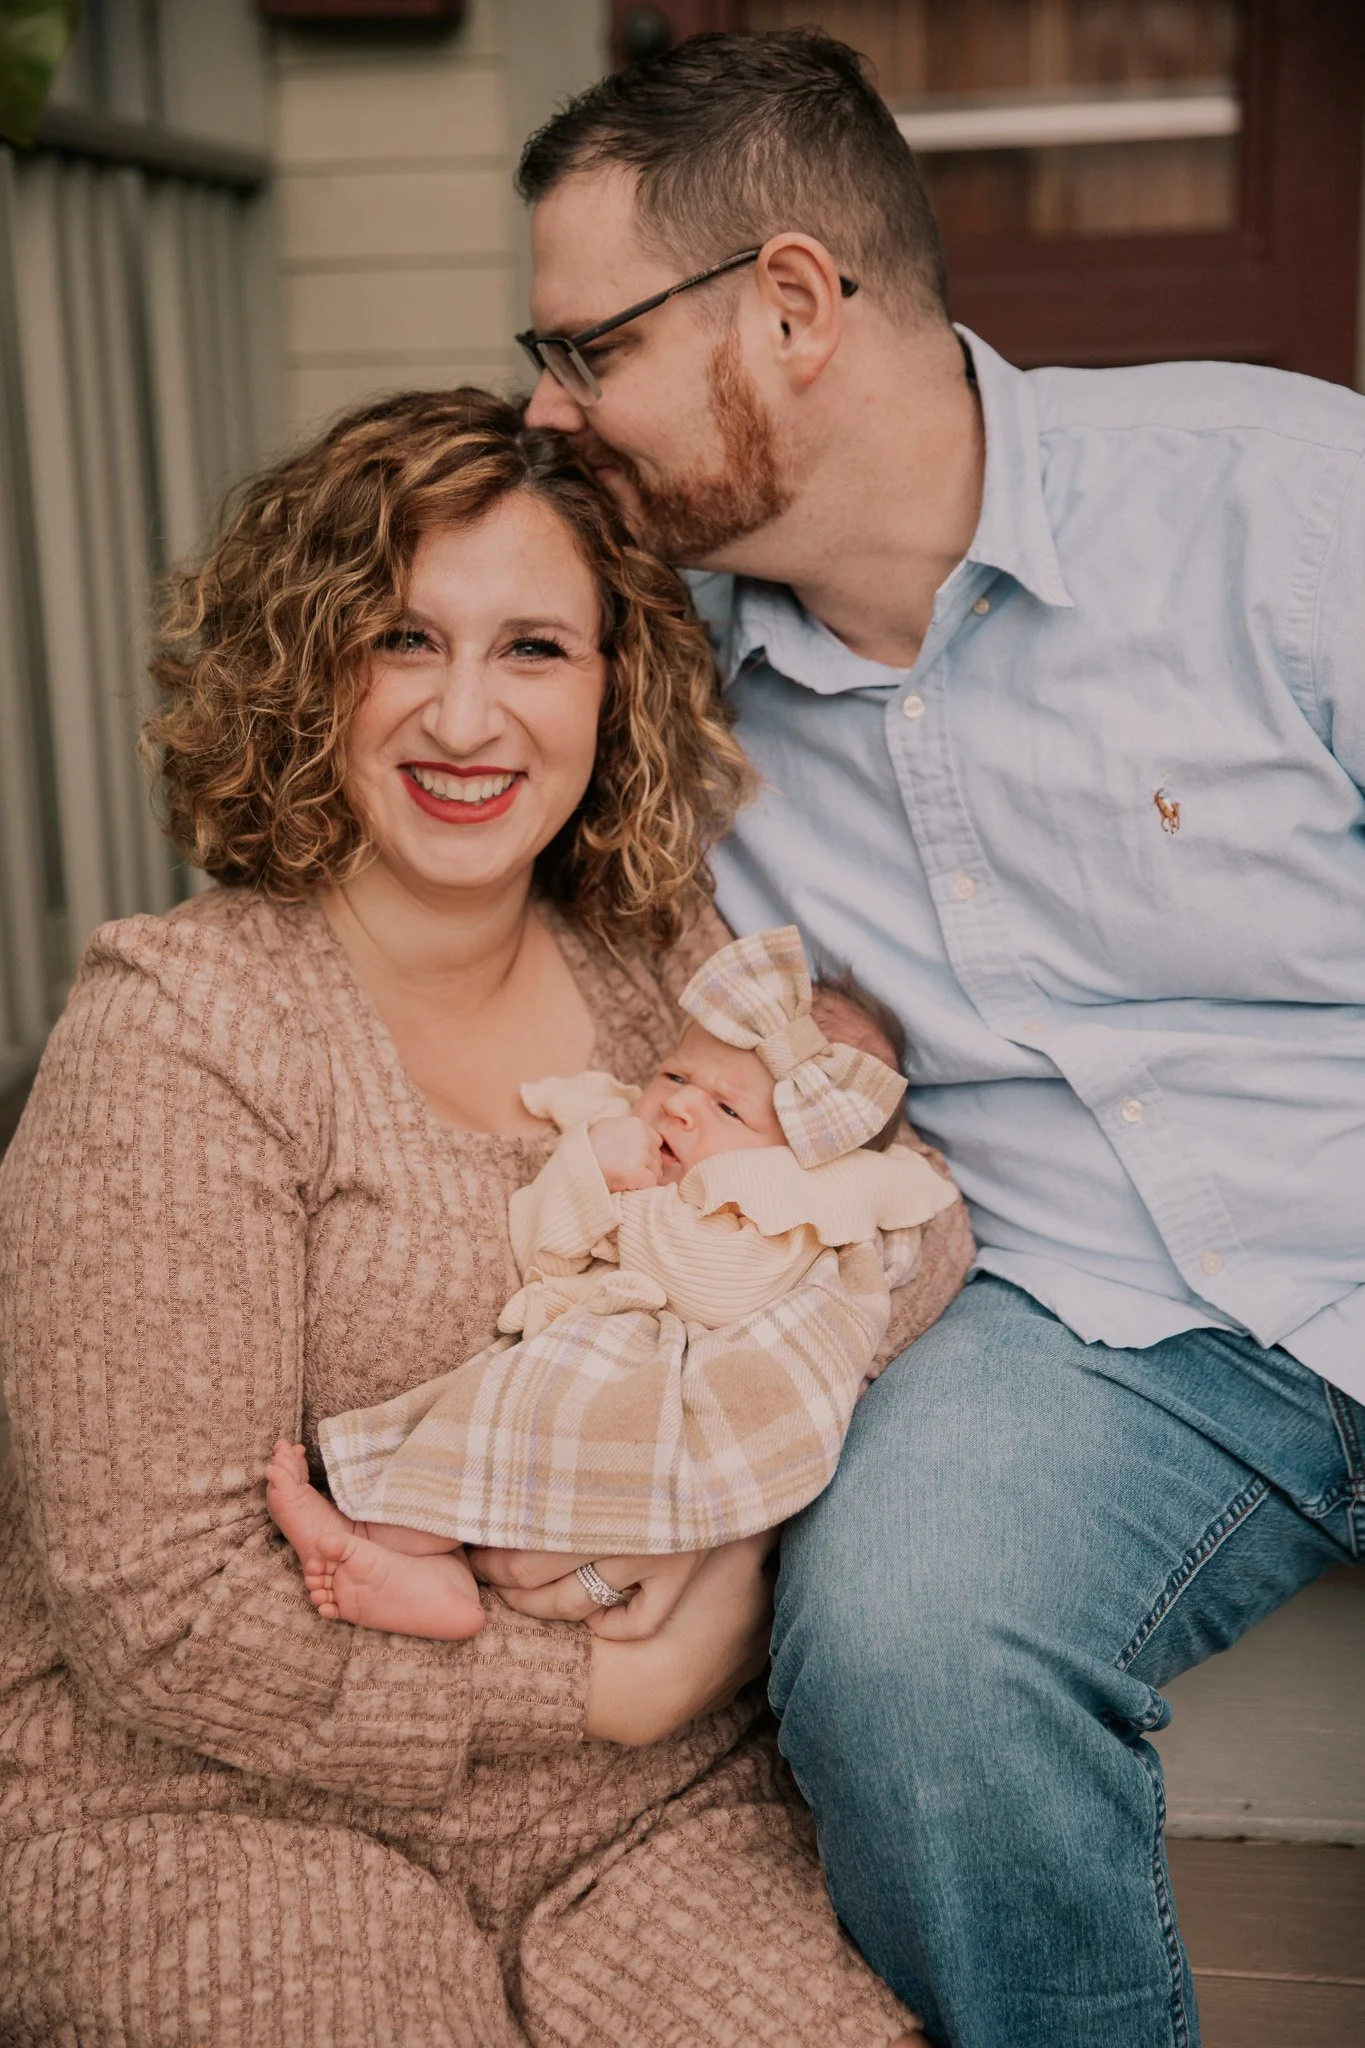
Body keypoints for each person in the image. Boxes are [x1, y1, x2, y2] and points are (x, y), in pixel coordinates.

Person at [512, 27, 1365, 2048]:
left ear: (792, 303)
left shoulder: (1285, 501)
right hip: (1078, 1317)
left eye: (582, 350)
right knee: (906, 1641)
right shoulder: (662, 678)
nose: (547, 415)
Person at [0, 388, 971, 2046]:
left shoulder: (661, 975)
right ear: (309, 669)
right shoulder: (185, 1025)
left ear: (616, 685)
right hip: (212, 1805)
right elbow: (160, 1607)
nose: (466, 717)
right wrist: (612, 1680)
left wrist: (727, 1554)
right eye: (400, 640)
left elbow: (901, 1236)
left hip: (645, 1814)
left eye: (533, 647)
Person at [265, 924, 958, 1641]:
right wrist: (588, 1169)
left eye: (727, 1109)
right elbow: (539, 1241)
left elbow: (714, 1291)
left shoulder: (794, 1206)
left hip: (681, 1412)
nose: (678, 1106)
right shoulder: (638, 1135)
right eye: (676, 1075)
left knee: (512, 1413)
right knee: (486, 1414)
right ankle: (426, 1573)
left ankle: (400, 1545)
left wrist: (623, 1202)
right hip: (610, 1374)